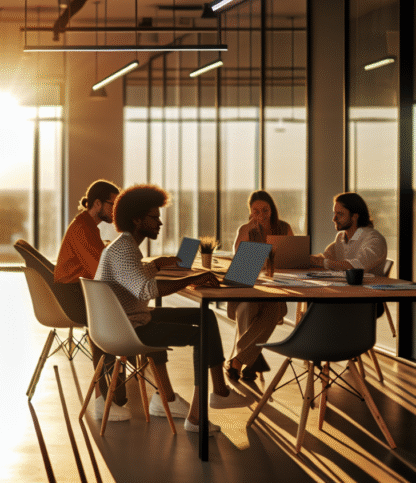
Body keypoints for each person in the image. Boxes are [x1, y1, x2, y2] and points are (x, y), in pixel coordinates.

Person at [95, 184, 249, 435]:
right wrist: (190, 279)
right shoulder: (124, 248)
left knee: (205, 315)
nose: (160, 223)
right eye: (154, 218)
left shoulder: (124, 246)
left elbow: (133, 279)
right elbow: (145, 291)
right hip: (128, 328)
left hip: (125, 320)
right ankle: (197, 418)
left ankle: (220, 390)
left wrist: (156, 265)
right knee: (202, 334)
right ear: (137, 219)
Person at [53, 180, 131, 421]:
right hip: (73, 296)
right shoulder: (84, 228)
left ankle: (115, 393)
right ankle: (106, 397)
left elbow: (96, 261)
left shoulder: (87, 226)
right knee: (119, 315)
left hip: (77, 291)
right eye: (113, 204)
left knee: (124, 310)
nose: (116, 210)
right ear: (97, 203)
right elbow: (100, 270)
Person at [227, 190, 294, 381]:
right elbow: (240, 269)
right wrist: (248, 231)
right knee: (248, 306)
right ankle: (251, 360)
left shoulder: (284, 228)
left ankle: (239, 360)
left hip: (274, 290)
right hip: (247, 290)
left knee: (272, 307)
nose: (261, 215)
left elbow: (291, 261)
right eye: (256, 211)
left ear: (272, 210)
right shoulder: (246, 230)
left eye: (265, 210)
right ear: (250, 212)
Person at [310, 192, 387, 273]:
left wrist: (323, 262)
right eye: (334, 213)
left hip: (368, 285)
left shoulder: (374, 239)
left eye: (340, 214)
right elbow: (325, 257)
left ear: (354, 216)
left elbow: (357, 266)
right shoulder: (341, 236)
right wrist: (310, 259)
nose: (334, 218)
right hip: (346, 285)